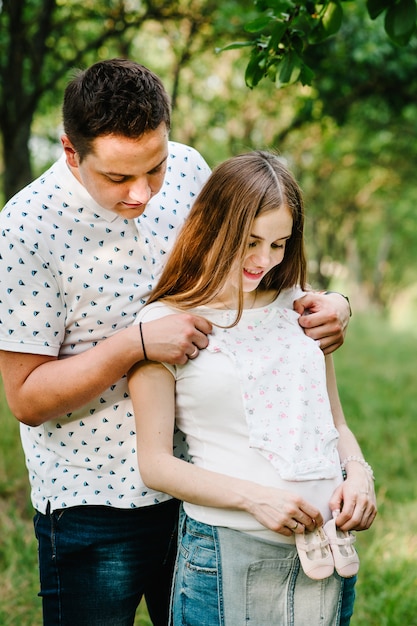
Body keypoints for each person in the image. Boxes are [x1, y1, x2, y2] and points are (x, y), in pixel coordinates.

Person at [0, 59, 352, 626]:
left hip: (204, 485)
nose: (142, 193)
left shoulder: (189, 169)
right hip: (94, 496)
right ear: (71, 151)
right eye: (118, 178)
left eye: (154, 168)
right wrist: (135, 344)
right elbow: (26, 398)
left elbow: (252, 266)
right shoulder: (25, 228)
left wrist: (337, 304)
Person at [128, 151, 377, 626]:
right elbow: (155, 464)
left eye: (280, 243)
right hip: (228, 553)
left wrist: (359, 475)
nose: (264, 260)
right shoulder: (163, 323)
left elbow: (334, 423)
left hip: (327, 551)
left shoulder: (302, 308)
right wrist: (255, 498)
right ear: (214, 227)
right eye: (250, 241)